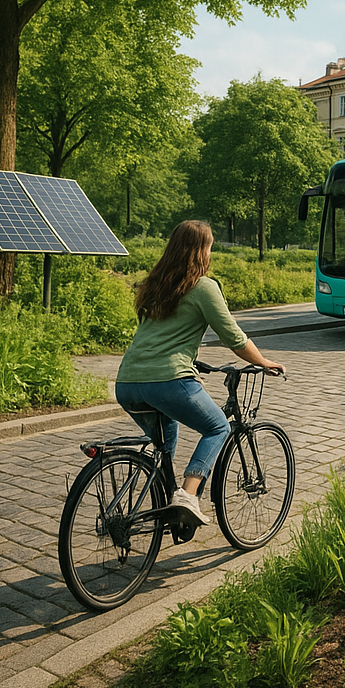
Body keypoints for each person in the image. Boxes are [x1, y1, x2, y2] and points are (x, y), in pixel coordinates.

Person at [115, 221, 286, 526]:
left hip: (127, 382)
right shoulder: (203, 286)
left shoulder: (155, 285)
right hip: (169, 381)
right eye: (209, 247)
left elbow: (161, 337)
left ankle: (166, 509)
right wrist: (262, 361)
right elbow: (234, 338)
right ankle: (187, 495)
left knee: (166, 442)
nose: (210, 253)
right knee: (218, 427)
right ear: (200, 251)